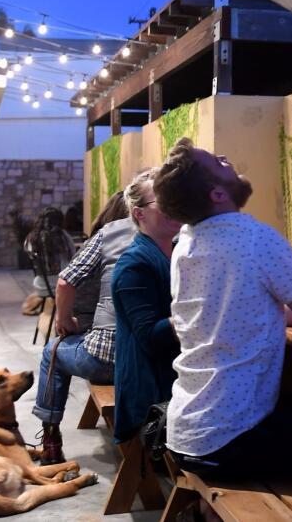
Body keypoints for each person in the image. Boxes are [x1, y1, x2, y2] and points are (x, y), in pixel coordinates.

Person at [154, 138, 292, 495]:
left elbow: (237, 313)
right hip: (228, 439)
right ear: (216, 194)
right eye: (217, 162)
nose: (227, 159)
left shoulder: (185, 244)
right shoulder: (257, 238)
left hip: (184, 430)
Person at [31, 189, 137, 464]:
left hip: (109, 359)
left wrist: (63, 320)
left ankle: (51, 441)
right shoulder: (175, 238)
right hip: (156, 356)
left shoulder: (106, 237)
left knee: (52, 351)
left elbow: (65, 282)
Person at [109, 170, 184, 444]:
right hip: (151, 387)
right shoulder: (134, 264)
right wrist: (198, 312)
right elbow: (152, 338)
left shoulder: (176, 251)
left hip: (174, 372)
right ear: (139, 213)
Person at [24, 207, 77, 315]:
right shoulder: (62, 237)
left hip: (40, 285)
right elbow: (74, 257)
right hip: (59, 286)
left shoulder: (32, 238)